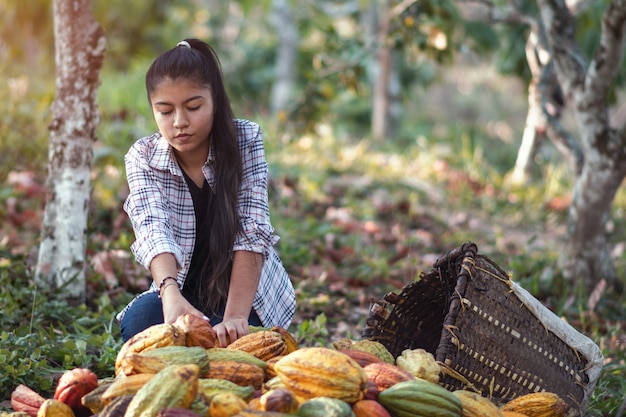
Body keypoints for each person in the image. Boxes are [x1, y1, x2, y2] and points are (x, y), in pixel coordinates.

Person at [116, 38, 296, 346]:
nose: (180, 122)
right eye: (165, 111)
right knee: (139, 323)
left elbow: (253, 229)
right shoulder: (142, 156)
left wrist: (236, 317)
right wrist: (170, 295)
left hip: (242, 294)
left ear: (215, 100)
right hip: (181, 287)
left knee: (243, 344)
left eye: (193, 107)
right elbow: (152, 229)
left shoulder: (245, 140)